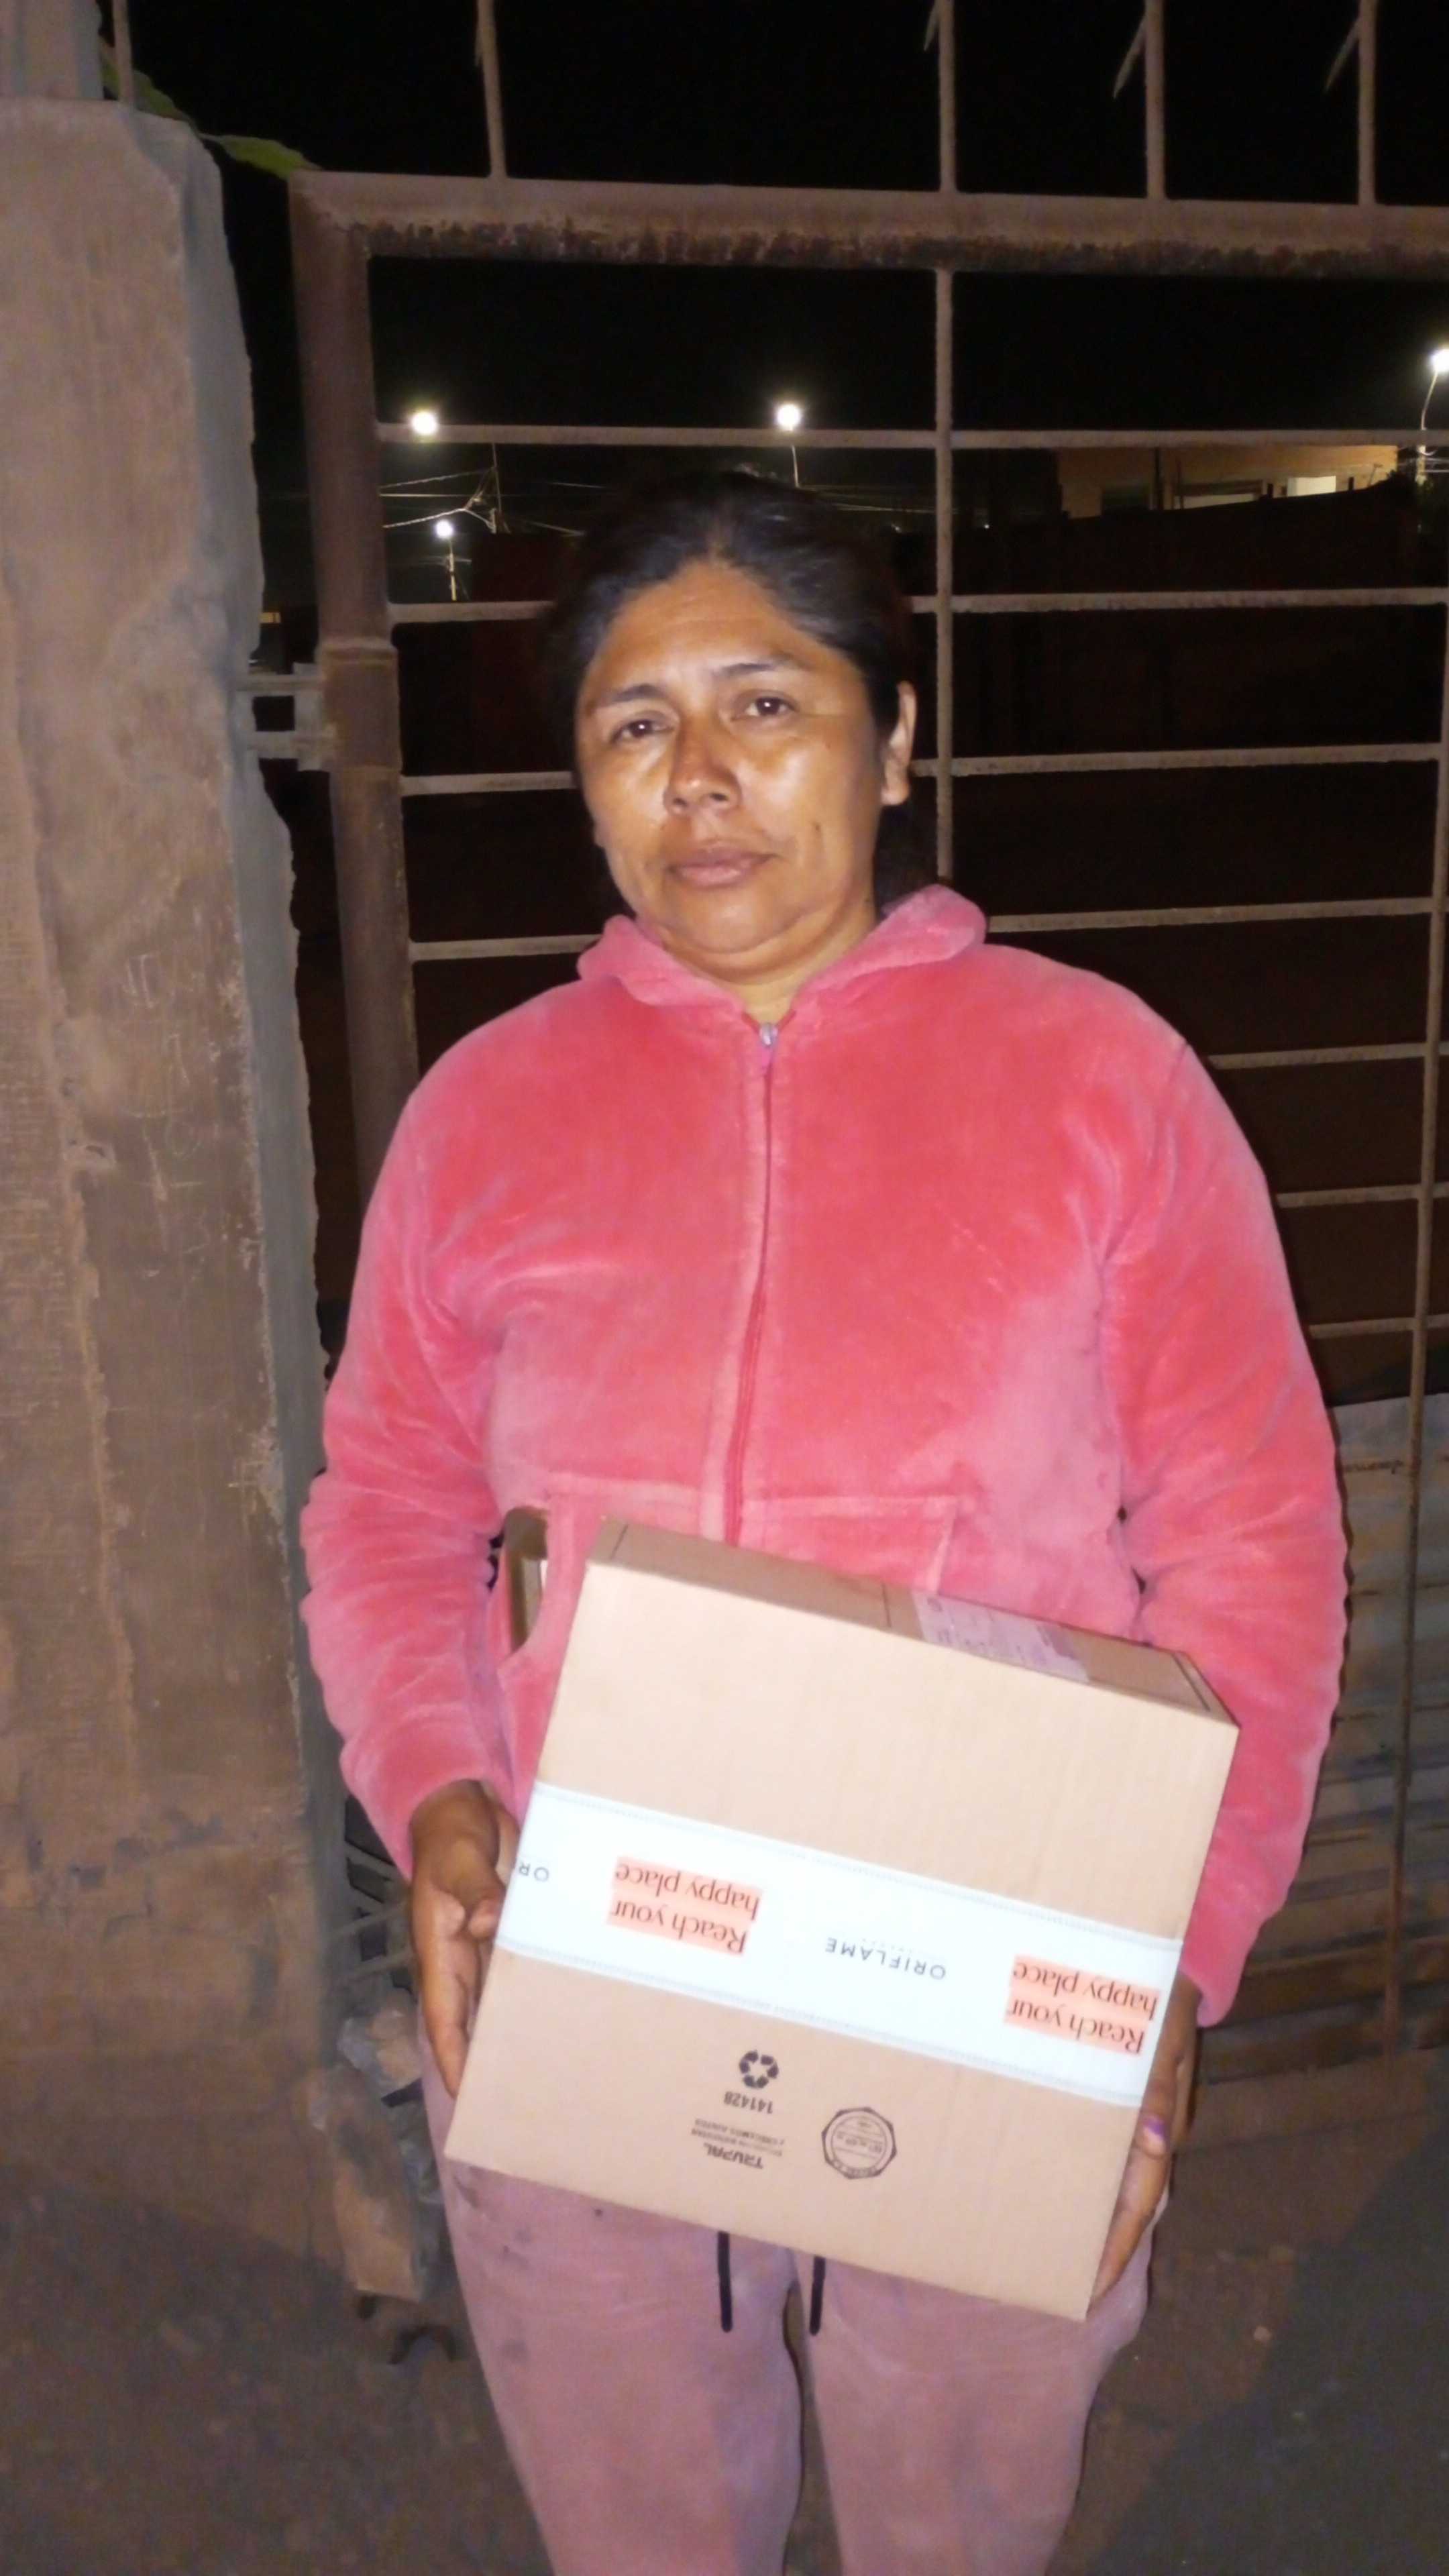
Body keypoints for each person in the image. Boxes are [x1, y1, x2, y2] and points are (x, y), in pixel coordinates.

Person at [301, 471, 1346, 2576]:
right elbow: (390, 1508)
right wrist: (437, 1794)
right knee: (643, 2520)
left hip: (991, 1963)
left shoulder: (1101, 1084)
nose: (699, 775)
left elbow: (1252, 1543)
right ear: (584, 781)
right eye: (634, 723)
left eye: (765, 705)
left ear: (893, 739)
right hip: (588, 1947)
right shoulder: (487, 1113)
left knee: (959, 2508)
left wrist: (1165, 1961)